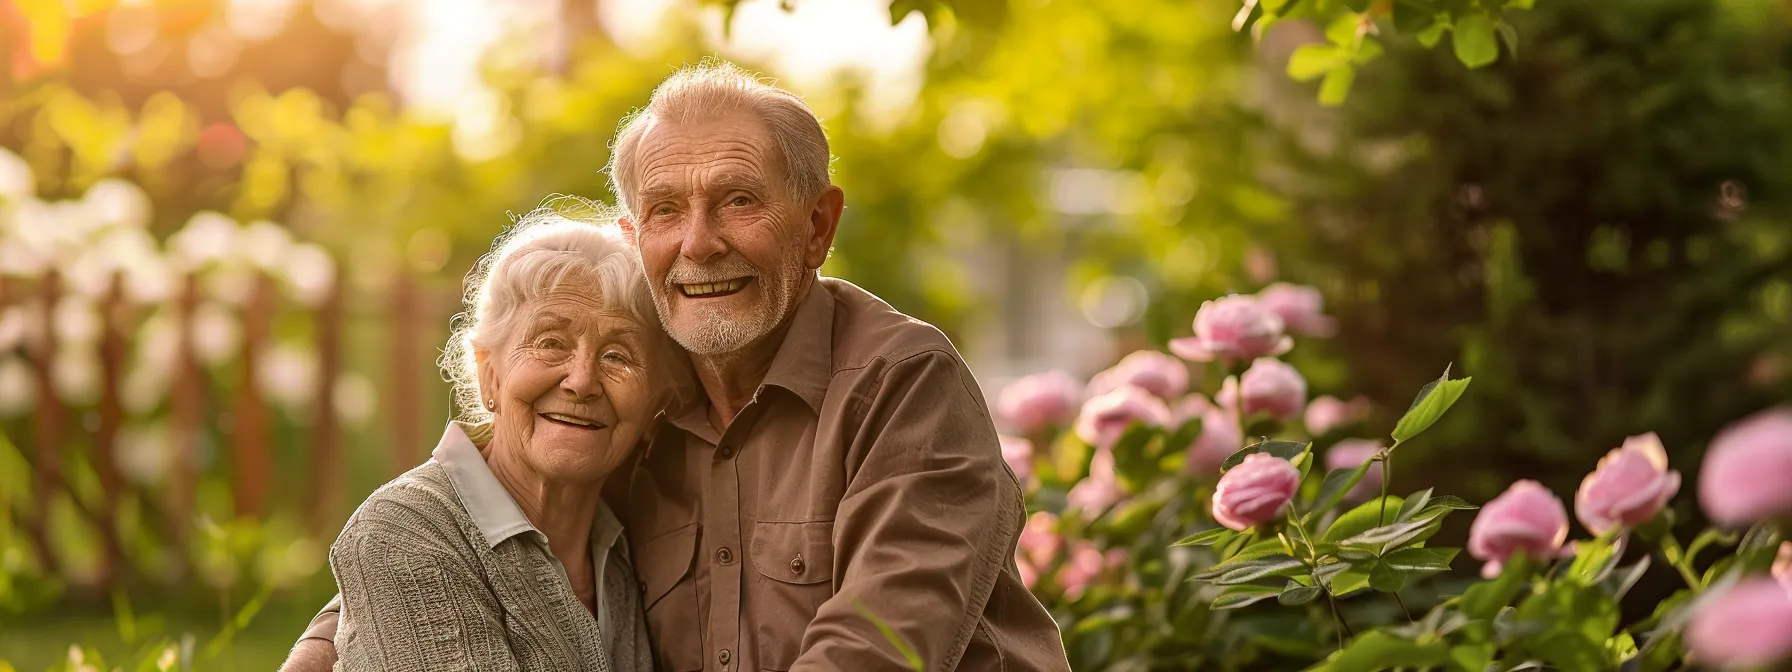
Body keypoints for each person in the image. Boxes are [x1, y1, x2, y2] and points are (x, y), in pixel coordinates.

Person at [283, 61, 1070, 671]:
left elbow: (881, 648)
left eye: (738, 201)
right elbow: (438, 543)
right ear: (637, 238)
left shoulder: (901, 383)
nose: (698, 243)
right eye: (666, 211)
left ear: (818, 226)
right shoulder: (635, 401)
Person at [314, 204, 689, 671]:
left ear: (656, 403)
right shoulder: (405, 532)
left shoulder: (620, 544)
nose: (582, 380)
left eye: (618, 355)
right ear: (488, 374)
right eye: (551, 342)